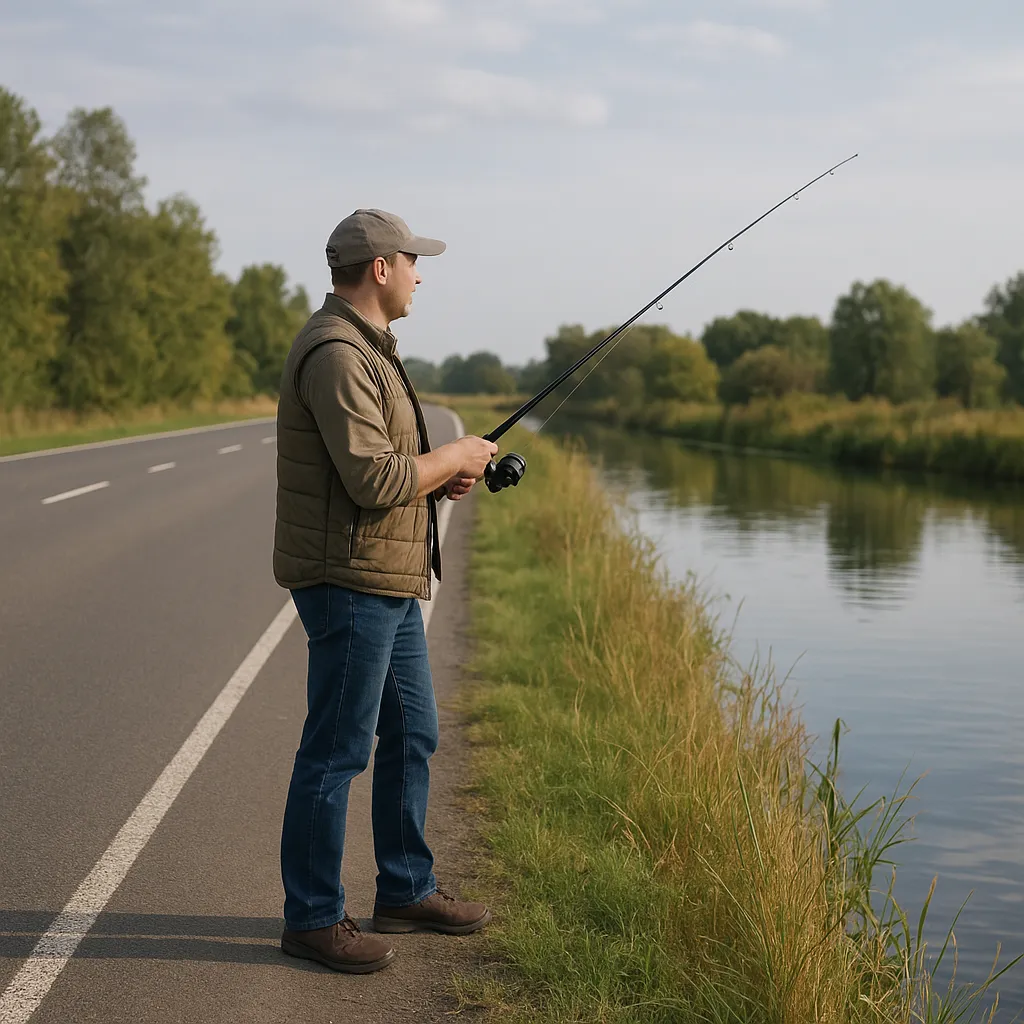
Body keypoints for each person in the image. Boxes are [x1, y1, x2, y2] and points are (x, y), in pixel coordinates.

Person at [272, 208, 498, 974]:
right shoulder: (338, 352)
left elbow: (389, 466)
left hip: (387, 576)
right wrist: (453, 455)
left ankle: (405, 889)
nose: (419, 273)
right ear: (379, 268)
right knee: (335, 752)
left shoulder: (368, 347)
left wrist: (444, 472)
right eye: (412, 260)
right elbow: (371, 481)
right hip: (350, 580)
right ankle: (312, 918)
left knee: (413, 733)